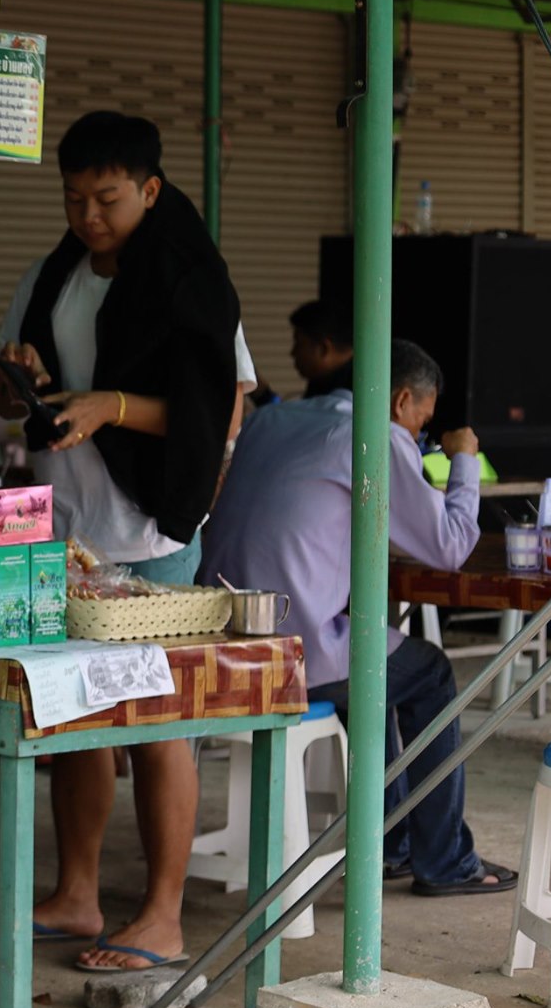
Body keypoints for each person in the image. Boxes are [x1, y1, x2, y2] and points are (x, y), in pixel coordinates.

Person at [0, 110, 248, 972]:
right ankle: (77, 894)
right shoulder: (52, 275)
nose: (89, 216)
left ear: (150, 190)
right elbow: (5, 402)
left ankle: (163, 915)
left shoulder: (192, 279)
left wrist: (113, 405)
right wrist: (14, 375)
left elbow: (221, 407)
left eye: (107, 198)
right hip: (64, 527)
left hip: (152, 528)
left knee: (154, 724)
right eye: (73, 198)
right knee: (73, 713)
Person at [203, 340, 517, 896]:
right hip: (294, 649)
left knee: (378, 670)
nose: (420, 433)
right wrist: (463, 458)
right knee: (430, 673)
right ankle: (444, 860)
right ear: (401, 400)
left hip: (222, 634)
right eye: (422, 419)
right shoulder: (373, 435)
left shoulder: (274, 420)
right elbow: (448, 546)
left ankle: (391, 842)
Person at [289, 298, 354, 399]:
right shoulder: (323, 380)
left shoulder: (359, 389)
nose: (293, 353)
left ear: (324, 349)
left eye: (299, 344)